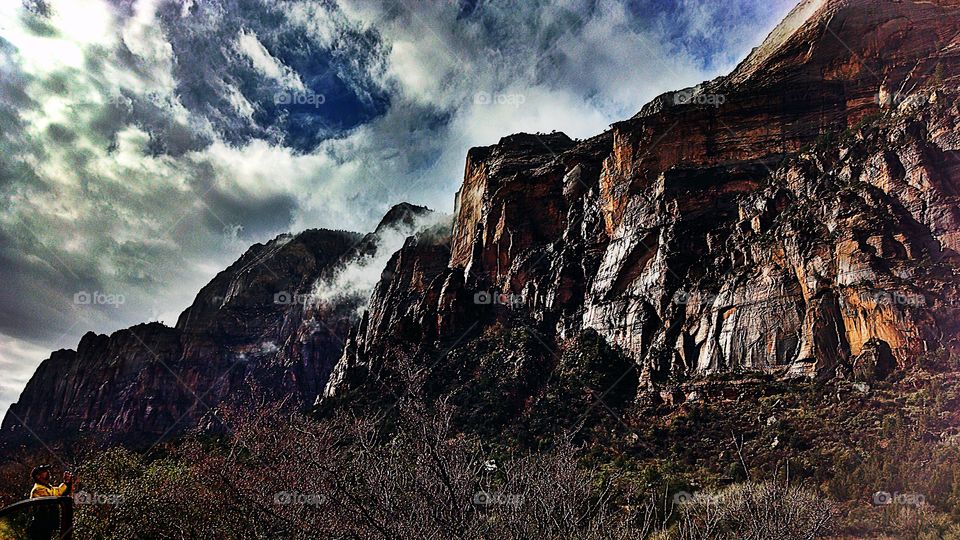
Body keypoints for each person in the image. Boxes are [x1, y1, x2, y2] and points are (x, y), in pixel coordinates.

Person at [26, 465, 75, 540]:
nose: (47, 472)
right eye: (44, 471)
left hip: (45, 527)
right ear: (38, 476)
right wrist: (66, 484)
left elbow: (59, 492)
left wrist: (66, 483)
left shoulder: (48, 487)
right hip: (39, 528)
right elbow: (54, 496)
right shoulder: (38, 489)